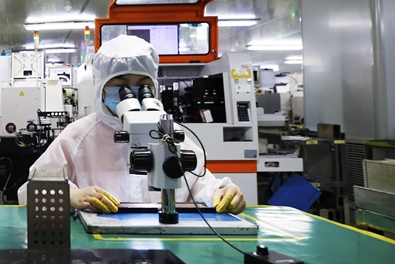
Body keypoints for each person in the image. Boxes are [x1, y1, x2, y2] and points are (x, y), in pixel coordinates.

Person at [18, 35, 246, 214]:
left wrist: (223, 193)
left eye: (143, 85)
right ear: (102, 88)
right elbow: (29, 191)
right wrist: (70, 196)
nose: (133, 94)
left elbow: (200, 185)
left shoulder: (169, 132)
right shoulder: (78, 135)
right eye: (122, 86)